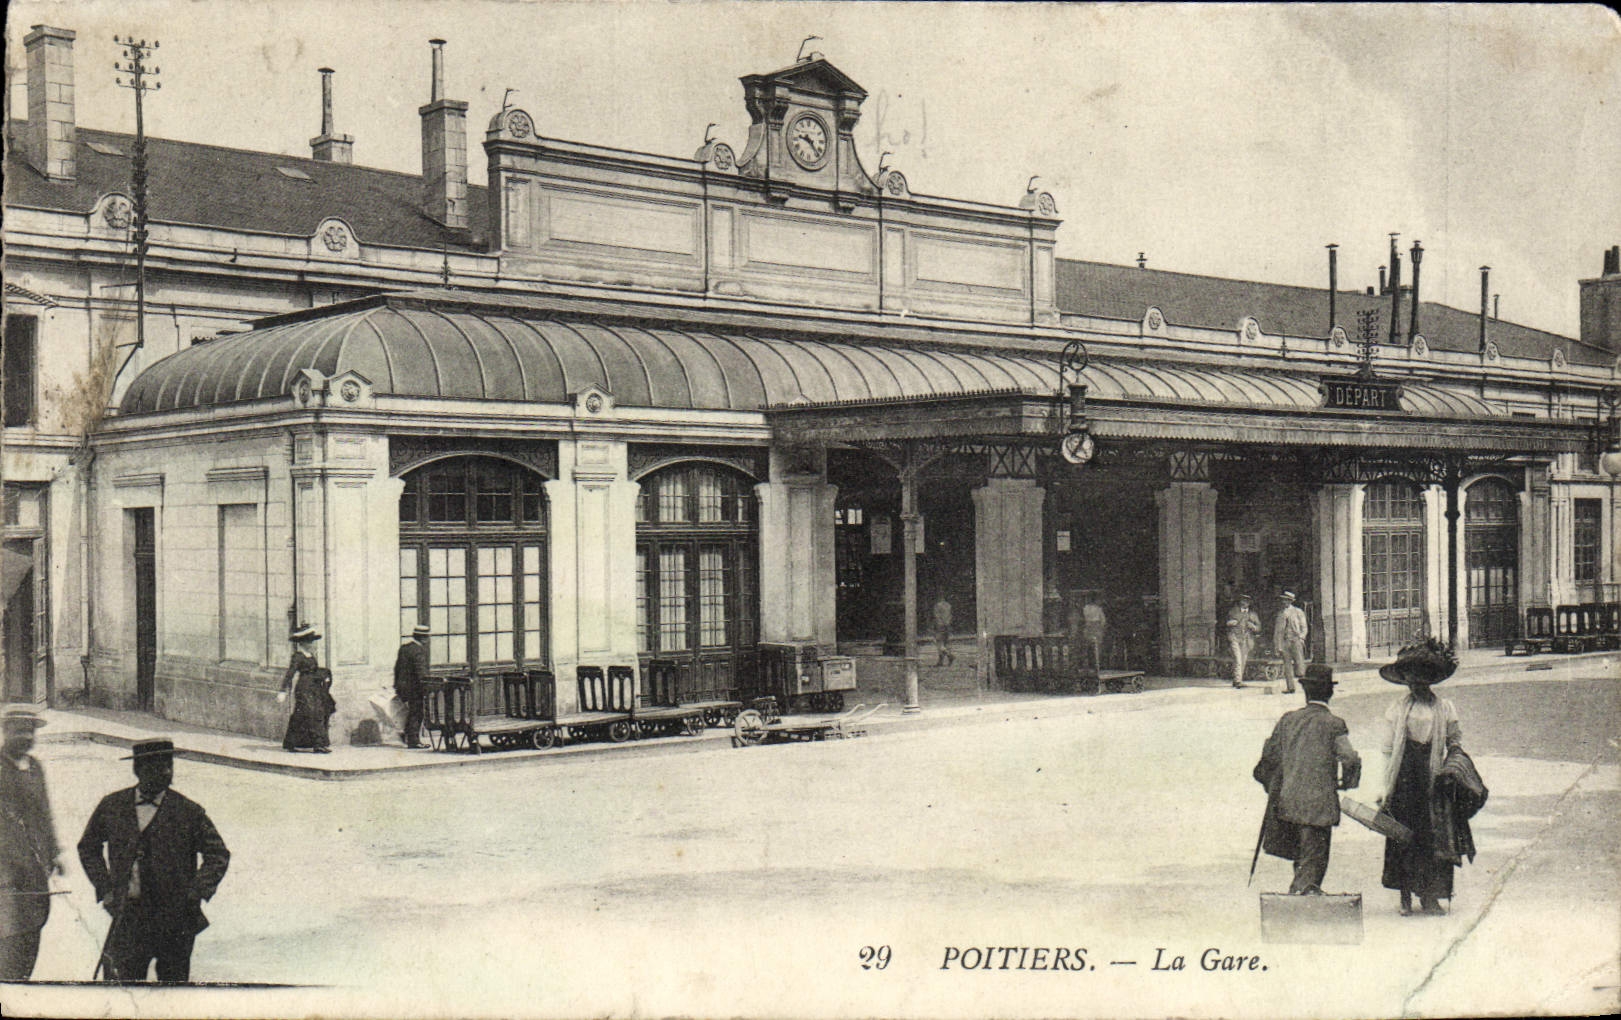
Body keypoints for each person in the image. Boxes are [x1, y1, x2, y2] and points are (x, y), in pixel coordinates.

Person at [77, 739, 230, 982]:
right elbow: (88, 847)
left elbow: (218, 854)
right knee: (119, 991)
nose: (166, 772)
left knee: (173, 997)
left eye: (168, 765)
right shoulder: (112, 805)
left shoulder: (188, 811)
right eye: (156, 766)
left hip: (175, 920)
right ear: (138, 769)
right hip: (128, 916)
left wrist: (197, 891)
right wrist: (105, 888)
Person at [1377, 638, 1477, 917]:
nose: (1416, 684)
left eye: (1421, 679)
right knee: (1404, 836)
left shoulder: (1444, 708)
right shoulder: (1398, 709)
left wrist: (1453, 765)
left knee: (1434, 837)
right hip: (1405, 779)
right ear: (1406, 680)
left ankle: (1431, 897)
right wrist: (1384, 787)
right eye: (1411, 679)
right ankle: (1406, 896)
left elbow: (1455, 740)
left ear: (1430, 680)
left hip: (1434, 780)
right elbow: (1387, 750)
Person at [1253, 669, 1361, 894]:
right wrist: (1348, 782)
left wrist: (1278, 785)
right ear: (1330, 692)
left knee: (1301, 858)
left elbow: (1268, 759)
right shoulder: (1334, 724)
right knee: (1313, 862)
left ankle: (1301, 902)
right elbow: (1349, 758)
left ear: (1305, 692)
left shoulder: (1288, 720)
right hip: (1319, 806)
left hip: (1288, 802)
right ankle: (1297, 906)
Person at [1, 705, 61, 981]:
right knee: (9, 938)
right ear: (5, 732)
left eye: (30, 731)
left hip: (34, 871)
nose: (25, 737)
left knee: (32, 928)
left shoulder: (35, 768)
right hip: (5, 874)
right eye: (19, 731)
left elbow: (44, 812)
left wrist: (54, 852)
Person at [280, 623, 335, 753]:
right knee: (312, 714)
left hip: (315, 688)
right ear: (303, 643)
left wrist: (324, 676)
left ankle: (291, 742)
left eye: (312, 641)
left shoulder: (311, 656)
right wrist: (283, 690)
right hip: (304, 688)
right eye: (310, 642)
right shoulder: (298, 656)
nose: (312, 644)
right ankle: (318, 745)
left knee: (302, 715)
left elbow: (315, 670)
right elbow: (290, 673)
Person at [393, 623, 431, 748]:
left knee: (408, 713)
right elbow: (421, 673)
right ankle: (414, 740)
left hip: (403, 687)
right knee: (417, 713)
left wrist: (397, 685)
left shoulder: (404, 648)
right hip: (415, 689)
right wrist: (426, 687)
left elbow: (397, 668)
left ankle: (407, 736)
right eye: (427, 637)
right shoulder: (418, 651)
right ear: (424, 638)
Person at [1272, 591, 1308, 695]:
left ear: (1291, 601)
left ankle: (1306, 687)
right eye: (1283, 600)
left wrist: (1301, 638)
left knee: (1300, 664)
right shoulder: (1280, 614)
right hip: (1285, 641)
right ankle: (1290, 687)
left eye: (1286, 600)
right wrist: (1278, 645)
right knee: (1287, 665)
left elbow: (1304, 627)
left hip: (1296, 640)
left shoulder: (1298, 612)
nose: (1284, 602)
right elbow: (1277, 631)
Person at [1226, 594, 1261, 688]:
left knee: (1243, 660)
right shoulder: (1233, 611)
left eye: (1246, 601)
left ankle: (1237, 679)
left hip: (1246, 640)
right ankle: (1237, 681)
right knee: (1237, 659)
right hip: (1234, 637)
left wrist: (1253, 627)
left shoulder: (1253, 614)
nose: (1243, 603)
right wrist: (1230, 623)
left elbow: (1259, 628)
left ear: (1249, 603)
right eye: (1242, 600)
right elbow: (1226, 622)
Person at [1078, 593, 1108, 672]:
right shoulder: (1098, 609)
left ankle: (1087, 665)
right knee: (1097, 647)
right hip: (1096, 628)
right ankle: (1097, 665)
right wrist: (1101, 628)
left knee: (1087, 647)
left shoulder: (1085, 608)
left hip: (1087, 628)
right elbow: (1103, 621)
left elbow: (1083, 618)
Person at [932, 594, 954, 666]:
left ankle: (948, 655)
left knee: (938, 642)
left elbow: (937, 616)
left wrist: (935, 625)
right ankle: (941, 660)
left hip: (940, 625)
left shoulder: (937, 606)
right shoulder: (949, 605)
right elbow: (950, 615)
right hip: (947, 625)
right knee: (946, 642)